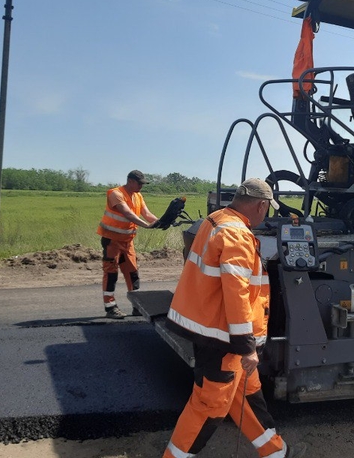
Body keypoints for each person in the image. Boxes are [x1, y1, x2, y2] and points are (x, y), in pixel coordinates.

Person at [162, 178, 307, 458]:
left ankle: (276, 452)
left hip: (215, 331)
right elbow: (236, 294)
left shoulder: (216, 221)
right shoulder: (237, 235)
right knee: (210, 405)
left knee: (248, 397)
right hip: (224, 341)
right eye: (267, 209)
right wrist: (246, 346)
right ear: (261, 205)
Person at [96, 169, 158, 319]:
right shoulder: (115, 193)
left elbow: (147, 214)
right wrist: (146, 226)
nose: (141, 186)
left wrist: (159, 222)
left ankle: (137, 306)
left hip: (127, 242)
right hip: (112, 241)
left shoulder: (138, 196)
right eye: (139, 183)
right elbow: (127, 213)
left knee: (132, 273)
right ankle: (110, 307)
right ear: (130, 181)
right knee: (111, 273)